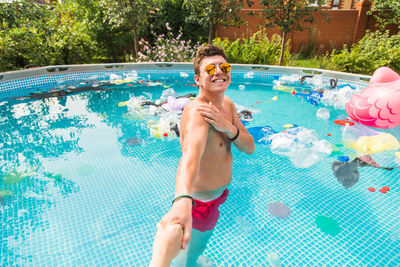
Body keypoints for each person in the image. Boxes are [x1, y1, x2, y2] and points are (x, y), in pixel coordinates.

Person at [158, 44, 255, 266]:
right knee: (190, 247)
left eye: (224, 66)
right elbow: (190, 156)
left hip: (215, 198)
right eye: (211, 69)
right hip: (199, 202)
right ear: (198, 80)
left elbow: (249, 147)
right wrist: (182, 200)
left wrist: (228, 128)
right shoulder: (198, 112)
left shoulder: (227, 105)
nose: (219, 72)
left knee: (197, 246)